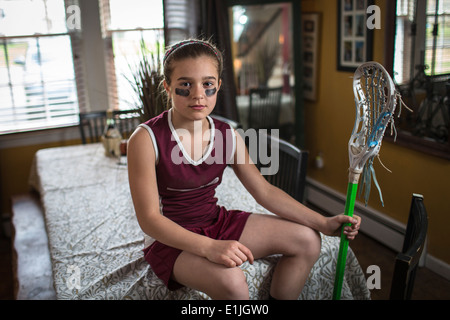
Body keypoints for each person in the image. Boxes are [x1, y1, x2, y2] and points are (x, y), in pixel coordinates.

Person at [127, 39, 361, 300]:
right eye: (185, 84)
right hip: (171, 238)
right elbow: (149, 220)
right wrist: (210, 248)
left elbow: (265, 192)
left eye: (207, 84)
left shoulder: (228, 135)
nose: (198, 94)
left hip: (215, 221)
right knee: (232, 282)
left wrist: (324, 222)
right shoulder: (145, 139)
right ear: (167, 86)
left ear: (218, 85)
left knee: (307, 240)